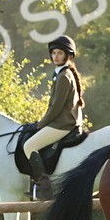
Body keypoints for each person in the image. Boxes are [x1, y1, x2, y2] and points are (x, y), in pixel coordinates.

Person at [24, 35, 84, 200]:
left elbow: (56, 108)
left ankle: (44, 186)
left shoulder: (64, 77)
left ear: (68, 56)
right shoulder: (62, 73)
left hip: (63, 124)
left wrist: (41, 124)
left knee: (29, 146)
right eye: (54, 53)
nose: (56, 56)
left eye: (60, 53)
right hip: (63, 121)